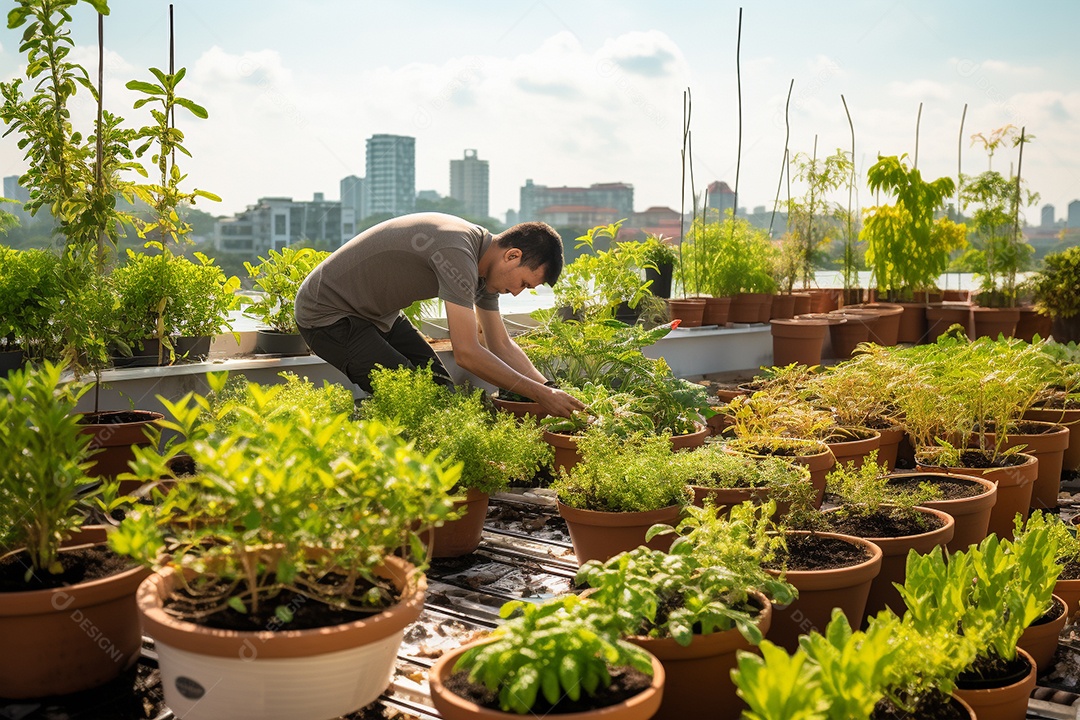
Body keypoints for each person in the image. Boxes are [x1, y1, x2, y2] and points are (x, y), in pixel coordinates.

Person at [294, 212, 585, 418]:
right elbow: (467, 353)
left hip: (378, 316)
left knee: (441, 391)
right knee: (418, 399)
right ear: (512, 256)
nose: (518, 293)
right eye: (523, 283)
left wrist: (550, 389)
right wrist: (541, 396)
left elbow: (500, 344)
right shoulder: (458, 251)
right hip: (327, 315)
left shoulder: (485, 270)